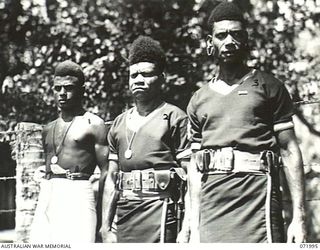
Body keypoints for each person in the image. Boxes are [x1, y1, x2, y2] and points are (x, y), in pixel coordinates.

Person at [185, 1, 306, 243]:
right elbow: (194, 168)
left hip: (258, 197)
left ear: (246, 39)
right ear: (210, 43)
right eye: (221, 35)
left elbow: (290, 150)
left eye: (235, 34)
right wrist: (192, 225)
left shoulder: (269, 86)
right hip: (213, 205)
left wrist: (299, 217)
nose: (229, 41)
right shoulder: (198, 99)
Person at [100, 36, 189, 243]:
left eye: (147, 74)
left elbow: (191, 176)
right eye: (134, 75)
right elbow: (112, 181)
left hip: (161, 212)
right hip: (125, 216)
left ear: (162, 78)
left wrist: (187, 227)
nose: (138, 80)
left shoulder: (175, 118)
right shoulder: (118, 123)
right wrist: (105, 227)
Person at [30, 60, 109, 243]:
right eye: (57, 89)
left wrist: (102, 213)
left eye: (68, 88)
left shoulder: (94, 124)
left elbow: (106, 171)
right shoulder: (48, 128)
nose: (62, 94)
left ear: (82, 90)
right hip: (49, 193)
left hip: (78, 193)